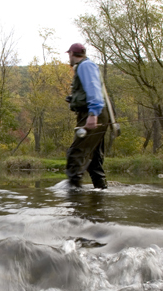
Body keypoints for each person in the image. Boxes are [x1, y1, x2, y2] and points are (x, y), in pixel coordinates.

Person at [65, 43, 110, 189]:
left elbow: (94, 90)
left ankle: (74, 197)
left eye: (69, 55)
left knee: (75, 154)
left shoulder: (85, 66)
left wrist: (92, 114)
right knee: (94, 158)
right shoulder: (87, 65)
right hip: (95, 113)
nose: (69, 58)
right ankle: (101, 193)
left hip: (94, 114)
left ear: (72, 54)